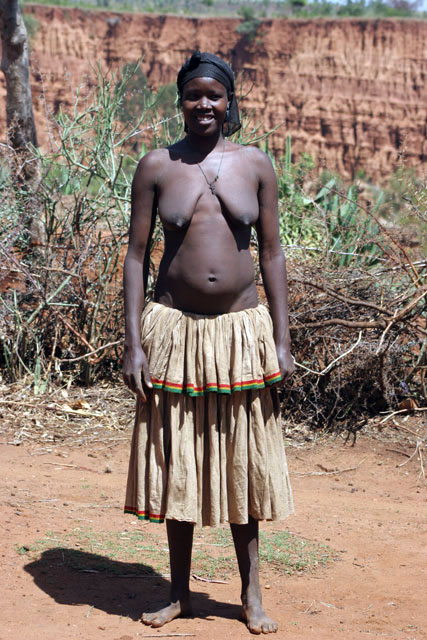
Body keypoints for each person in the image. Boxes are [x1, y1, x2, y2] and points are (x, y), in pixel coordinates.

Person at [122, 51, 294, 635]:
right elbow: (136, 257)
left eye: (213, 96)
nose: (203, 105)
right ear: (181, 101)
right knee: (180, 461)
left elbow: (272, 254)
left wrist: (281, 339)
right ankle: (178, 594)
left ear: (229, 102)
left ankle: (251, 595)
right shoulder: (157, 166)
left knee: (243, 457)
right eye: (193, 95)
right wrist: (133, 344)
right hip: (175, 330)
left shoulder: (255, 164)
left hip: (240, 334)